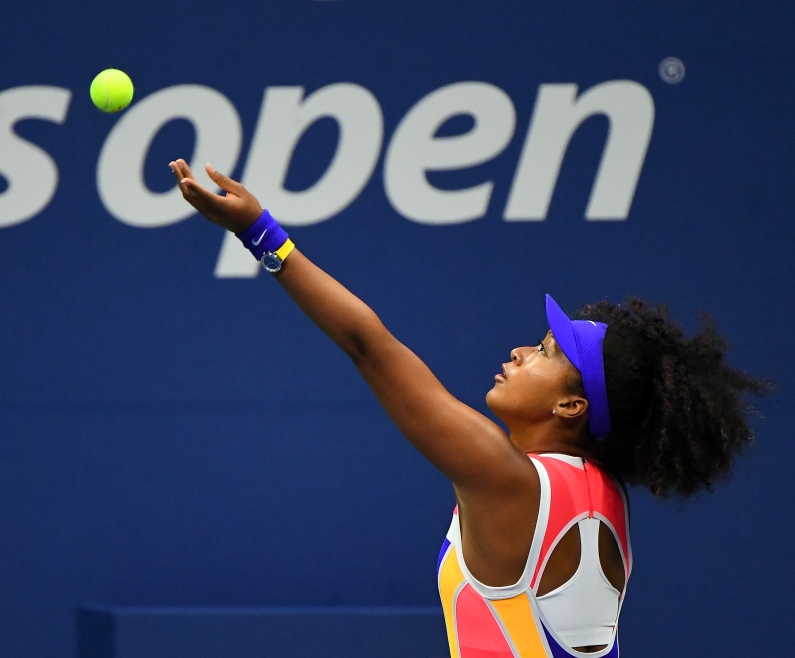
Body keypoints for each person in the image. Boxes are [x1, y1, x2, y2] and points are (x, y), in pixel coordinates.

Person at [168, 160, 767, 657]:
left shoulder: (509, 482)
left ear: (571, 404)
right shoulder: (605, 492)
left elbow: (369, 347)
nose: (520, 352)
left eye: (544, 352)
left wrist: (260, 232)